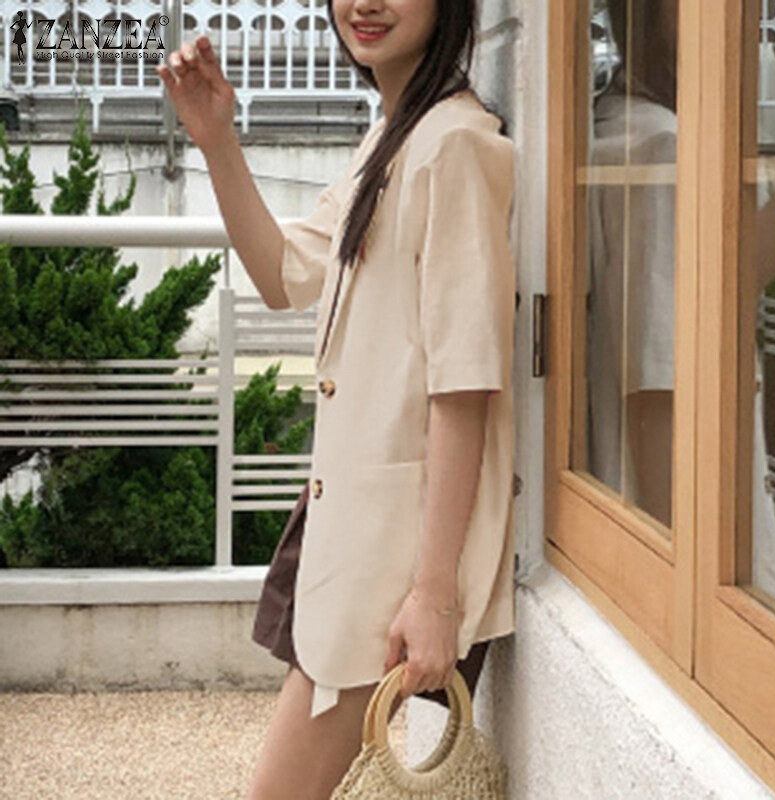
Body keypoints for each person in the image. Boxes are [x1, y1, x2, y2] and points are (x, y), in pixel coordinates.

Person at [155, 1, 517, 797]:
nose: (365, 4)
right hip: (353, 539)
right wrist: (217, 141)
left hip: (394, 564)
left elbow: (464, 385)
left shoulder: (454, 144)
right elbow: (283, 273)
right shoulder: (395, 137)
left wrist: (433, 595)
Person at [588, 0, 775, 608]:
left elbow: (728, 278)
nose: (750, 24)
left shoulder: (619, 125)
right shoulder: (664, 149)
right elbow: (662, 379)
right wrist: (679, 584)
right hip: (688, 553)